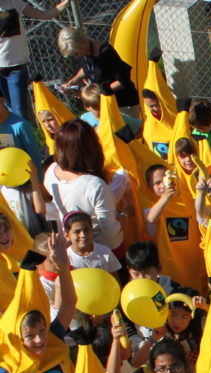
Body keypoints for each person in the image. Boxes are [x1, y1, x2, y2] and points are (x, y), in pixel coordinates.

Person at [43, 120, 122, 252]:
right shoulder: (94, 184)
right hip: (105, 251)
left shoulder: (51, 171)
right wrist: (124, 216)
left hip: (73, 248)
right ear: (91, 147)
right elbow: (110, 231)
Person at [0, 0, 68, 121]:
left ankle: (27, 139)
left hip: (16, 67)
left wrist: (67, 3)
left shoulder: (13, 3)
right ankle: (9, 141)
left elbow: (44, 15)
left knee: (19, 112)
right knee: (3, 115)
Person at [56, 26, 138, 107]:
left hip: (124, 103)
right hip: (103, 104)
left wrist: (95, 92)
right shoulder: (84, 52)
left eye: (77, 53)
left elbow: (122, 82)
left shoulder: (106, 52)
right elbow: (86, 69)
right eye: (73, 55)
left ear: (84, 41)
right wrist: (71, 84)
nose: (76, 57)